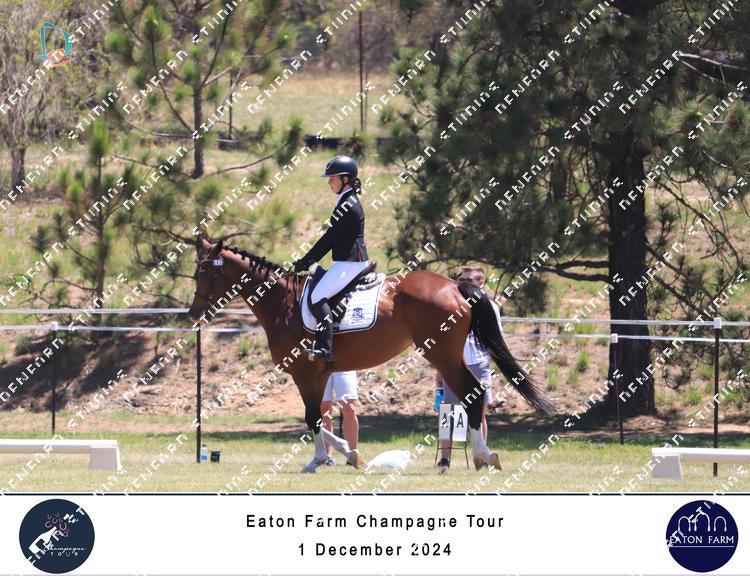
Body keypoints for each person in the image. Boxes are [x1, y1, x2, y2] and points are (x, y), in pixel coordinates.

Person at [292, 155, 369, 361]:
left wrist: (306, 261)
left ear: (345, 179)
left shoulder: (348, 204)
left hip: (351, 262)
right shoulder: (345, 199)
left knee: (318, 296)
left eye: (332, 178)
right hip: (347, 260)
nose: (329, 182)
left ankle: (325, 348)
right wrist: (308, 261)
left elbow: (329, 239)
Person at [434, 265, 502, 474]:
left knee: (479, 413)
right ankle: (444, 460)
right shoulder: (452, 303)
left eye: (469, 280)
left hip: (479, 364)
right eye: (462, 280)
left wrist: (492, 367)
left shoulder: (490, 306)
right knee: (447, 412)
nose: (464, 284)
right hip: (454, 364)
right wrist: (440, 369)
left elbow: (496, 337)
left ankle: (481, 456)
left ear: (481, 282)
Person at [320, 371, 360, 465]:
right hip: (321, 365)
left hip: (345, 366)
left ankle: (353, 456)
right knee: (324, 409)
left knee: (349, 408)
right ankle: (326, 457)